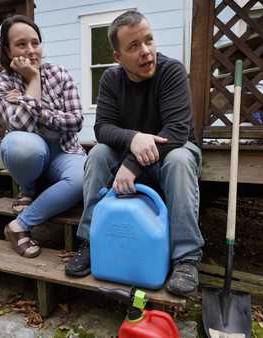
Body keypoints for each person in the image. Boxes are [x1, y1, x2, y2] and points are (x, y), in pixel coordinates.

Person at [65, 11, 204, 296]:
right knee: (98, 154)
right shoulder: (111, 80)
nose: (146, 52)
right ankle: (92, 241)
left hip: (172, 151)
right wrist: (134, 138)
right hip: (132, 153)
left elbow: (177, 130)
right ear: (118, 57)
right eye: (134, 47)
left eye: (148, 40)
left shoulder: (172, 71)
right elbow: (102, 128)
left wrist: (131, 164)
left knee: (179, 160)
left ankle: (186, 259)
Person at [0, 15, 86, 258]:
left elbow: (75, 122)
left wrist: (29, 104)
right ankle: (28, 189)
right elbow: (20, 126)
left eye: (35, 43)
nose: (31, 50)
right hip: (30, 154)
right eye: (21, 44)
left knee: (82, 178)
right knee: (23, 145)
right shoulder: (2, 82)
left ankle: (19, 225)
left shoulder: (59, 74)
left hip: (65, 151)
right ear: (7, 49)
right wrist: (33, 80)